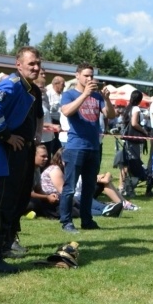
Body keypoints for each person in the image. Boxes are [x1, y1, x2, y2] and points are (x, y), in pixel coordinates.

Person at [0, 47, 44, 273]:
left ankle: (2, 247)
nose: (36, 67)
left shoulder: (29, 88)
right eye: (31, 63)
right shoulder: (11, 84)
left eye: (38, 63)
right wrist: (5, 135)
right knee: (1, 202)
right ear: (18, 64)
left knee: (16, 201)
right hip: (9, 152)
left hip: (24, 151)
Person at [58, 62, 116, 234]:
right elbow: (67, 111)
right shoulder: (69, 94)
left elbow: (111, 115)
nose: (90, 78)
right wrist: (84, 95)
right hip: (75, 146)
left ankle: (87, 220)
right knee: (70, 188)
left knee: (89, 188)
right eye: (86, 75)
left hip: (93, 147)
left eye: (92, 76)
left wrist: (106, 98)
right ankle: (66, 222)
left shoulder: (97, 97)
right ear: (77, 75)